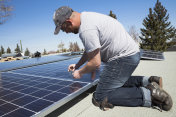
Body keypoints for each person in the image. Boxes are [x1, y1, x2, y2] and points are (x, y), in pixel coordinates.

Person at [53, 6, 173, 111]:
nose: (66, 32)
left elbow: (95, 63)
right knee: (113, 81)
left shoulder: (86, 30)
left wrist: (80, 72)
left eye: (63, 29)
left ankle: (151, 95)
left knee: (99, 96)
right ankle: (150, 81)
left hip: (123, 59)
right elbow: (89, 50)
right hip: (132, 54)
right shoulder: (88, 17)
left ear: (68, 22)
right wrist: (77, 65)